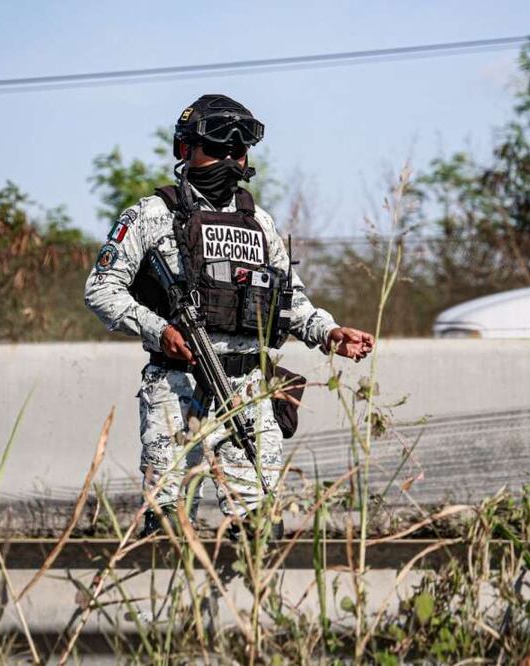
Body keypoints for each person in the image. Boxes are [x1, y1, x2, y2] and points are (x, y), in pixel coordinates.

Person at [84, 94, 373, 538]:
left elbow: (290, 300)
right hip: (178, 389)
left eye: (238, 152)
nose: (229, 160)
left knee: (260, 532)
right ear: (185, 150)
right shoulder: (151, 216)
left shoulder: (259, 222)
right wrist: (159, 331)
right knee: (168, 529)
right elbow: (101, 289)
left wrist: (329, 332)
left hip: (249, 394)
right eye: (216, 149)